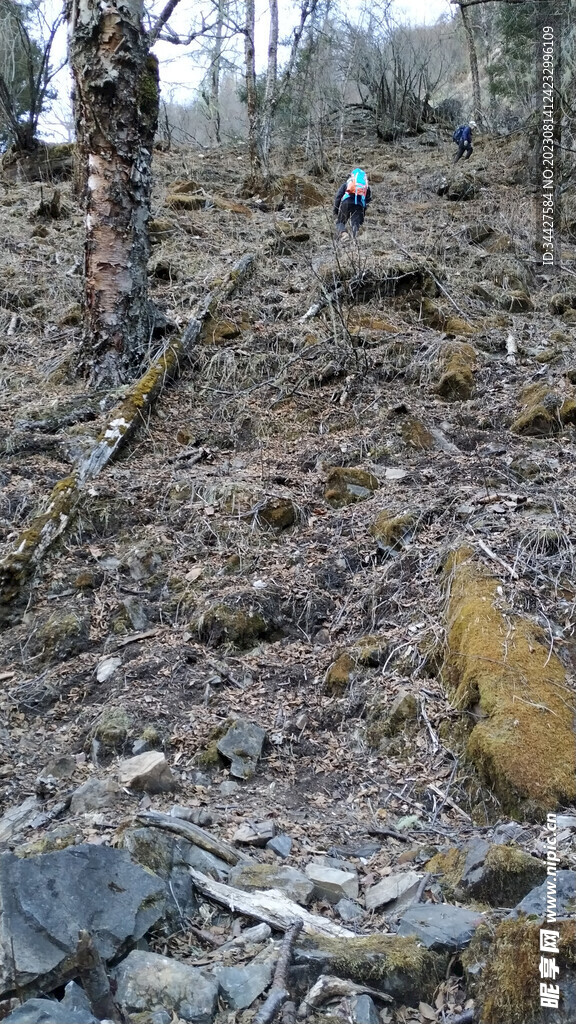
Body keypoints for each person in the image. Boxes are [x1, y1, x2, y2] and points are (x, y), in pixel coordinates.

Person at [333, 168, 372, 240]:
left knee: (340, 222)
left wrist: (335, 210)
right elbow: (367, 200)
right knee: (355, 225)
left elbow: (338, 197)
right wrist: (362, 214)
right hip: (359, 206)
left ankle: (344, 234)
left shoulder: (347, 184)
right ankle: (354, 241)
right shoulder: (365, 187)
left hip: (346, 203)